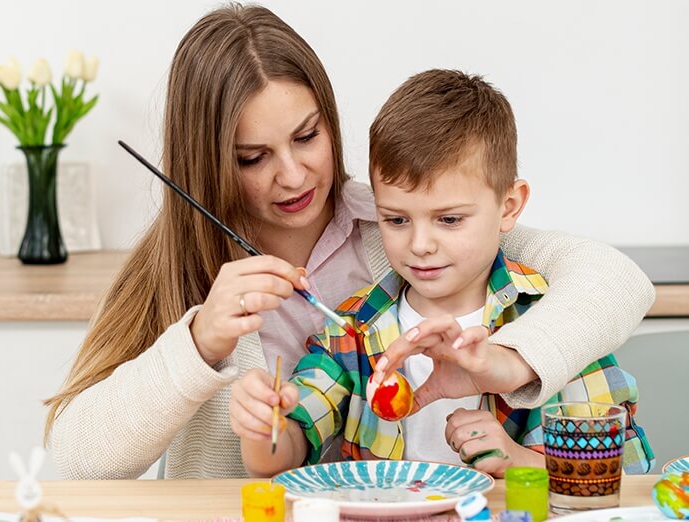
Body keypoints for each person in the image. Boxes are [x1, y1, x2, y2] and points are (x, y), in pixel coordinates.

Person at [45, 4, 654, 480]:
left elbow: (615, 281)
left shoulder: (396, 216)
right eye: (253, 157)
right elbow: (77, 458)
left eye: (307, 136)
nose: (292, 175)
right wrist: (201, 342)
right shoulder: (184, 270)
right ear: (208, 163)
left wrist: (506, 367)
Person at [231, 69, 655, 478]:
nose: (419, 245)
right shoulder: (353, 329)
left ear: (509, 207)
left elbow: (621, 474)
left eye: (449, 220)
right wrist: (261, 425)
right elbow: (280, 457)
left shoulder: (556, 322)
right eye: (396, 220)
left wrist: (517, 459)